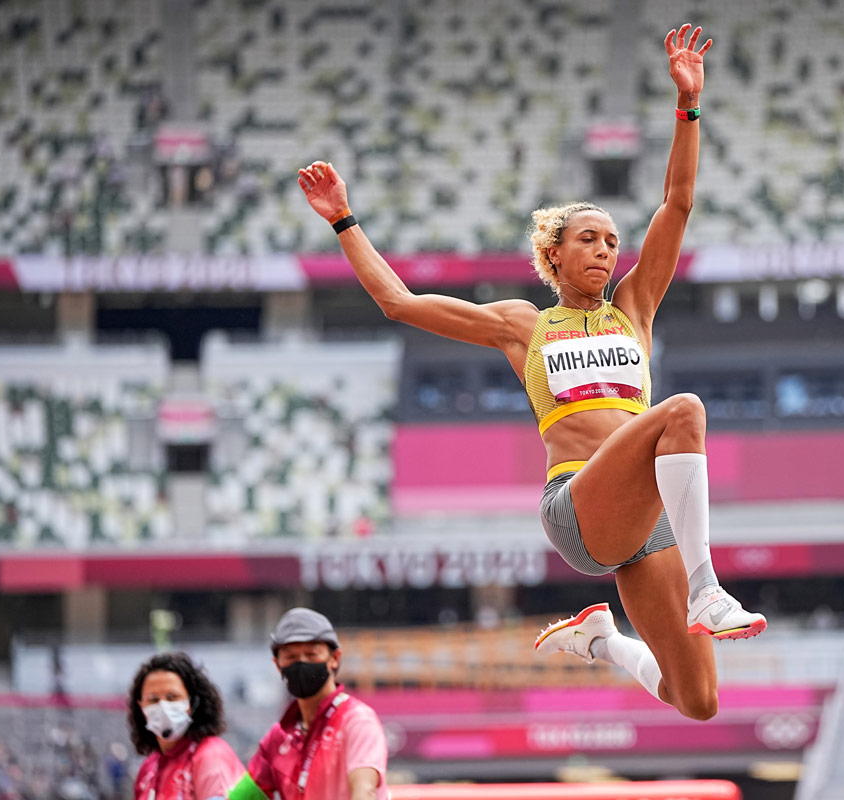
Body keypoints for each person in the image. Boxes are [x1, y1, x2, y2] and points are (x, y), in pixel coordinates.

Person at [296, 23, 764, 722]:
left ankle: (600, 641)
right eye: (589, 240)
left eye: (612, 240)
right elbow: (399, 302)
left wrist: (687, 105)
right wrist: (343, 221)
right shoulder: (523, 324)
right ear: (554, 256)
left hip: (646, 521)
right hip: (576, 505)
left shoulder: (635, 307)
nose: (607, 251)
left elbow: (678, 203)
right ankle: (707, 586)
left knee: (697, 700)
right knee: (684, 409)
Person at [228, 608, 387, 800]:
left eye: (311, 654)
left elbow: (365, 793)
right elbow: (241, 798)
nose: (301, 663)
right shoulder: (278, 738)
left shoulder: (357, 720)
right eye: (291, 657)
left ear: (334, 658)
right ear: (278, 665)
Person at [127, 652, 244, 800]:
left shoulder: (211, 755)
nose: (163, 707)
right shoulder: (149, 768)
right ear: (141, 707)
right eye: (153, 700)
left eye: (172, 697)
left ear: (192, 703)